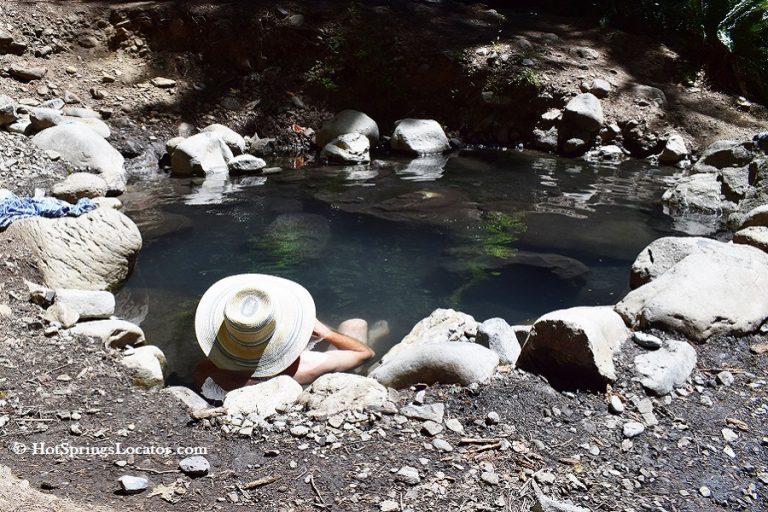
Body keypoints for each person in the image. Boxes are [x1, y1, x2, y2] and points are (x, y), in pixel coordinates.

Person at [192, 273, 375, 391]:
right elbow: (365, 353)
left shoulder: (207, 373)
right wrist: (326, 333)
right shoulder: (306, 366)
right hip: (302, 375)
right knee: (356, 325)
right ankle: (374, 336)